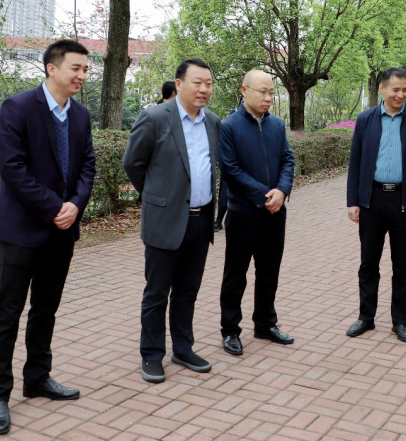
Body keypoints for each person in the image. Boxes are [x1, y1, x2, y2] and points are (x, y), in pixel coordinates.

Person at [0, 40, 96, 435]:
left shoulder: (80, 115)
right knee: (8, 312)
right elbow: (12, 169)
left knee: (46, 309)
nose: (82, 75)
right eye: (76, 68)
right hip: (22, 229)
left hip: (62, 231)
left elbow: (87, 165)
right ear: (52, 68)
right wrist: (55, 207)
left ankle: (37, 377)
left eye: (85, 69)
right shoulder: (17, 108)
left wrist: (76, 205)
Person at [123, 59, 221, 384]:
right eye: (197, 82)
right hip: (165, 221)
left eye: (208, 83)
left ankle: (183, 348)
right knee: (156, 293)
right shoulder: (154, 118)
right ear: (178, 84)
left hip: (201, 221)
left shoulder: (213, 123)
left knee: (187, 291)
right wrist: (157, 196)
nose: (204, 89)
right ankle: (151, 355)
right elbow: (133, 164)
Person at [345, 68, 406, 342]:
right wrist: (353, 201)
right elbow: (356, 162)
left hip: (404, 201)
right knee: (368, 263)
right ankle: (366, 317)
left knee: (402, 264)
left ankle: (400, 321)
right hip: (371, 200)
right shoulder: (366, 119)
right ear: (382, 89)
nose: (401, 95)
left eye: (405, 89)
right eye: (395, 89)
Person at [219, 70, 296, 356]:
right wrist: (265, 195)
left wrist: (282, 191)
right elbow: (230, 170)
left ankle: (265, 323)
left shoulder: (277, 125)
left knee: (269, 271)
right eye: (262, 92)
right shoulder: (229, 126)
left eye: (271, 93)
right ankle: (230, 330)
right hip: (243, 213)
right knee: (235, 275)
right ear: (244, 90)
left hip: (275, 213)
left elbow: (287, 159)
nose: (268, 98)